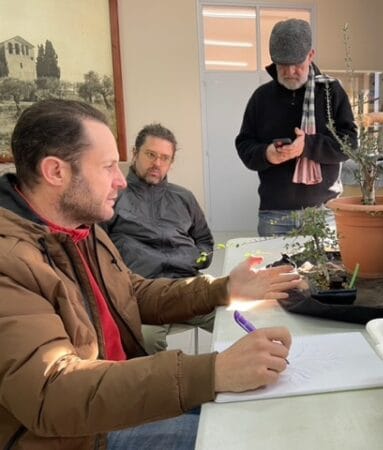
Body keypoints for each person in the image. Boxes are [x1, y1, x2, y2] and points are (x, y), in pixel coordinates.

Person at [0, 99, 300, 449]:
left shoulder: (82, 228)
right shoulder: (10, 262)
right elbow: (52, 392)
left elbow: (133, 293)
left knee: (256, 412)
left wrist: (224, 289)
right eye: (108, 167)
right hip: (80, 436)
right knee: (239, 438)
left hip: (120, 396)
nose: (120, 181)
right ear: (56, 172)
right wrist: (212, 371)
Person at [235, 18, 357, 236]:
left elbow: (350, 143)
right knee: (273, 261)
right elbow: (244, 145)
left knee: (327, 261)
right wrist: (266, 154)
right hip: (274, 215)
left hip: (324, 212)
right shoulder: (261, 97)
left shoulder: (331, 92)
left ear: (311, 55)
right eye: (283, 65)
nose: (290, 71)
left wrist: (307, 146)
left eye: (297, 65)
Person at [104, 123, 215, 354]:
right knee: (144, 340)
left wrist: (197, 259)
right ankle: (169, 378)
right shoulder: (113, 197)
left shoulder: (183, 197)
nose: (157, 163)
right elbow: (97, 249)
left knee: (236, 319)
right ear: (135, 153)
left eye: (165, 158)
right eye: (151, 154)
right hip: (142, 293)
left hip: (186, 286)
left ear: (171, 163)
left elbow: (204, 241)